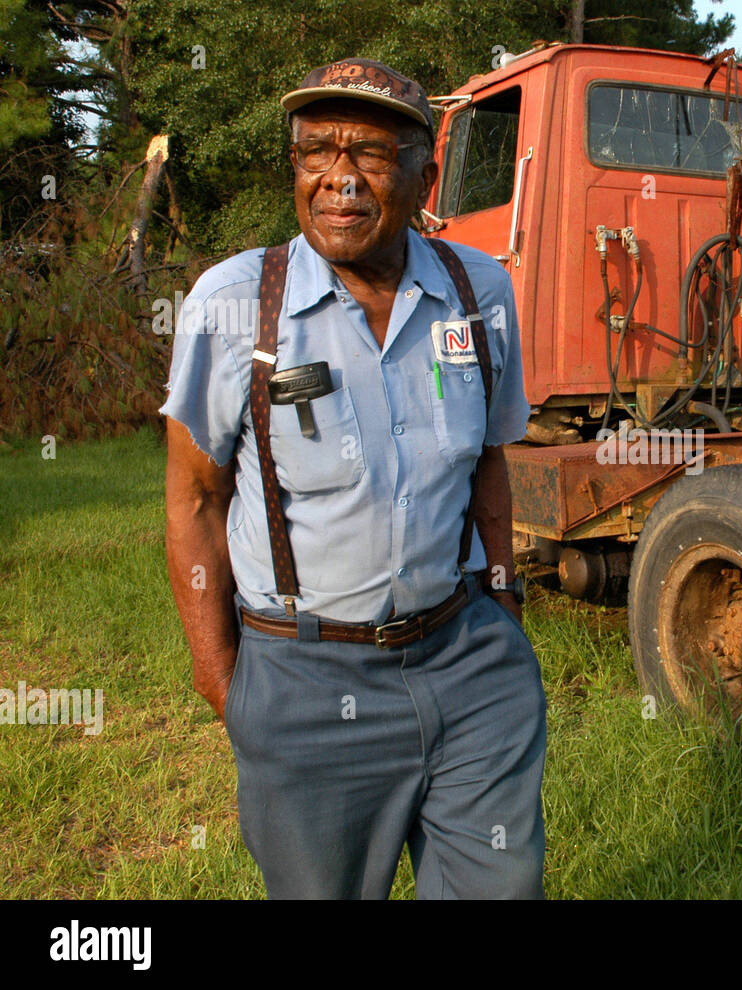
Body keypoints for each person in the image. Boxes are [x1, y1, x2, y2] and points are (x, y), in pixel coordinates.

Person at [161, 58, 546, 899]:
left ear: (424, 175)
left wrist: (505, 613)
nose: (340, 178)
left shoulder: (478, 289)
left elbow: (489, 459)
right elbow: (194, 499)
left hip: (468, 659)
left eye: (370, 154)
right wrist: (223, 682)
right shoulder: (233, 305)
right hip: (304, 681)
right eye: (315, 152)